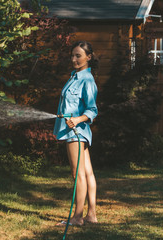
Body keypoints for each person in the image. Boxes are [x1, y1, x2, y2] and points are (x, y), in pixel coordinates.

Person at [54, 41, 98, 226]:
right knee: (87, 173)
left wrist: (77, 120)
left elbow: (92, 110)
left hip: (76, 132)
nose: (74, 59)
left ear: (88, 57)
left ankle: (77, 217)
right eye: (72, 55)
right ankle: (91, 215)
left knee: (77, 174)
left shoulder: (87, 80)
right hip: (75, 131)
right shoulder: (74, 77)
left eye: (78, 56)